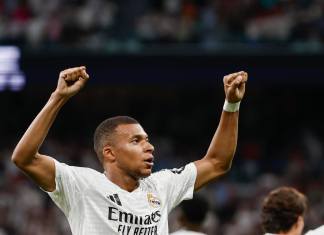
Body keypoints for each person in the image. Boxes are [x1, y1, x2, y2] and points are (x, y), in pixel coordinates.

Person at [11, 66, 248, 235]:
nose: (149, 146)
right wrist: (58, 98)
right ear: (109, 153)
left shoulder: (161, 186)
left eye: (147, 140)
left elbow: (217, 162)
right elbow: (24, 158)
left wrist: (232, 104)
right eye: (136, 141)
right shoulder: (81, 185)